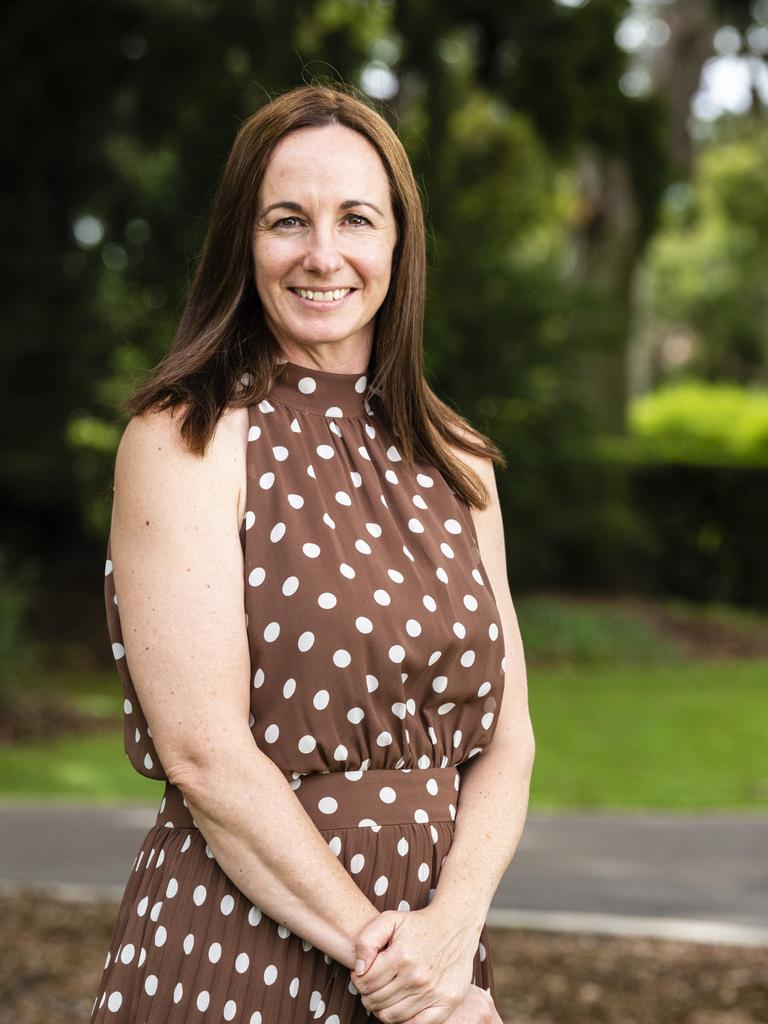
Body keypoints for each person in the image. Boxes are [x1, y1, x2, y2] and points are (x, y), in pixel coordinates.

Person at [89, 82, 535, 1024]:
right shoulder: (185, 441)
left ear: (398, 245)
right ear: (241, 245)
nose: (323, 255)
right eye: (286, 220)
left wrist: (451, 937)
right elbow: (204, 754)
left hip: (436, 952)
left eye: (356, 220)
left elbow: (509, 742)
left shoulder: (459, 462)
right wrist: (403, 972)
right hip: (244, 944)